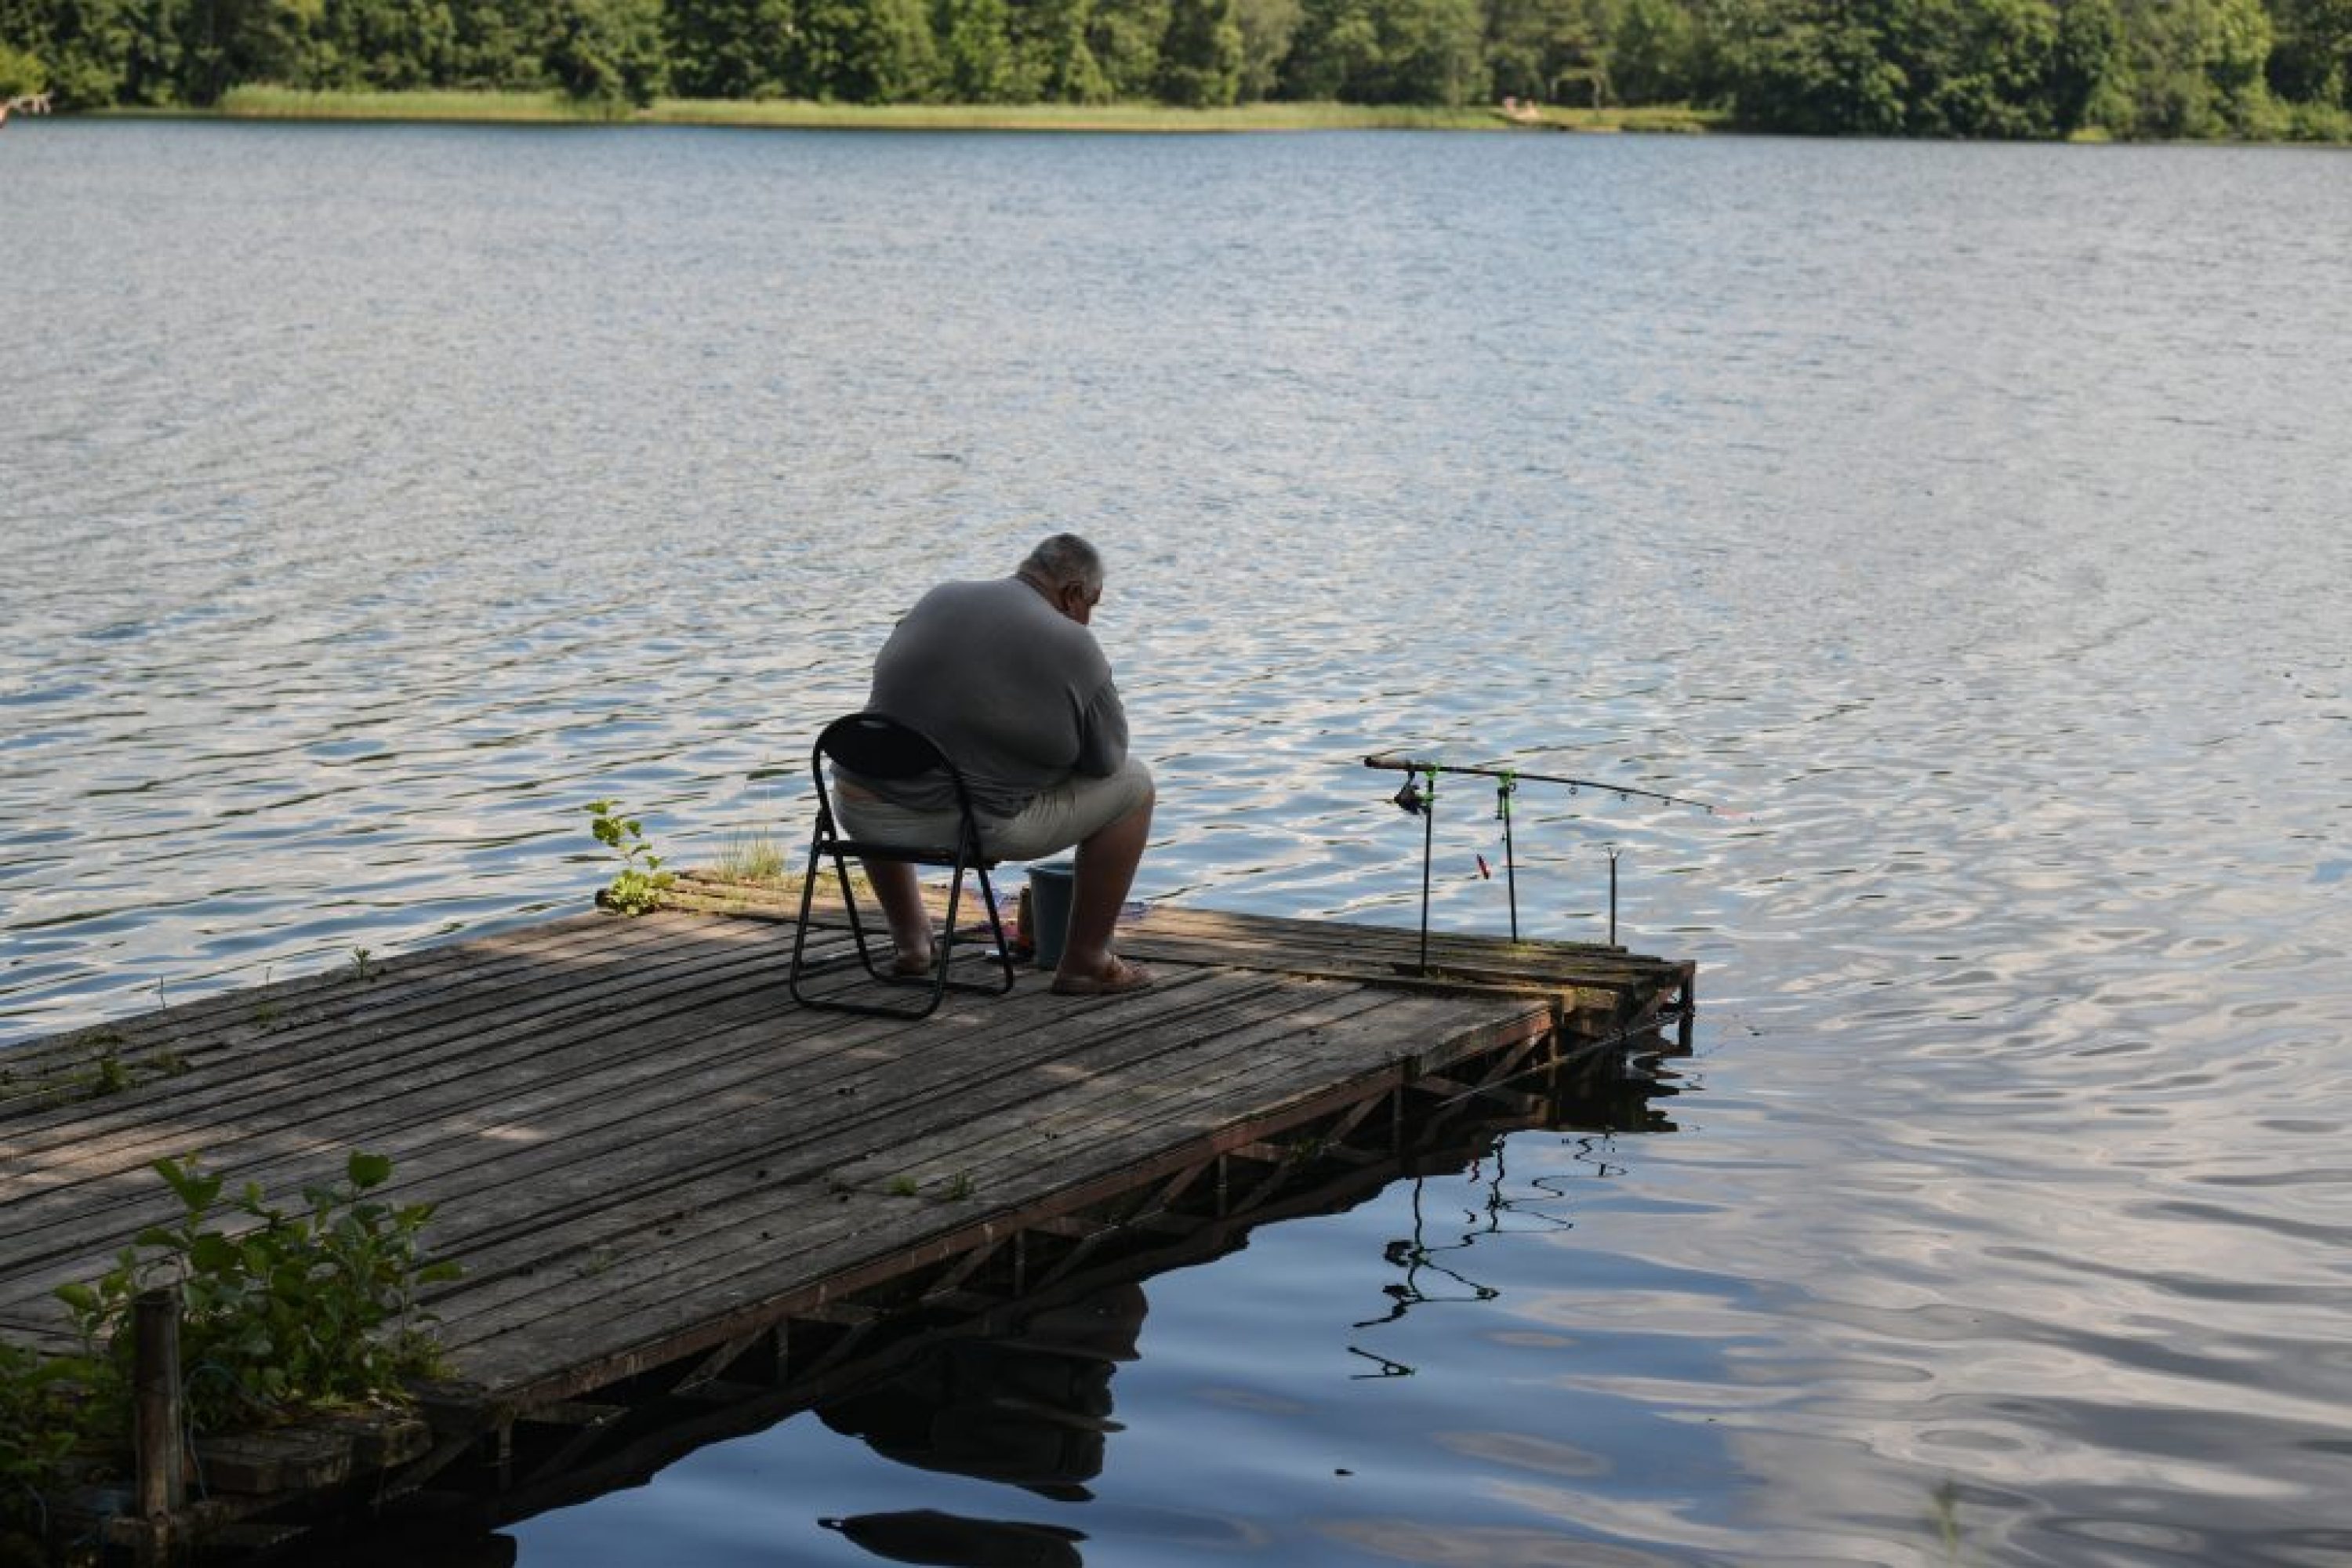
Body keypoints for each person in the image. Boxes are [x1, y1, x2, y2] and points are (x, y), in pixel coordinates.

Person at [832, 534, 1155, 996]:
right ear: (1072, 595)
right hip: (964, 826)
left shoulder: (940, 597)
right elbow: (1107, 762)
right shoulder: (1073, 642)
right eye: (1093, 605)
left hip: (860, 809)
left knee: (893, 762)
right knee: (1136, 786)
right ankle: (1086, 961)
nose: (1090, 618)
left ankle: (911, 943)